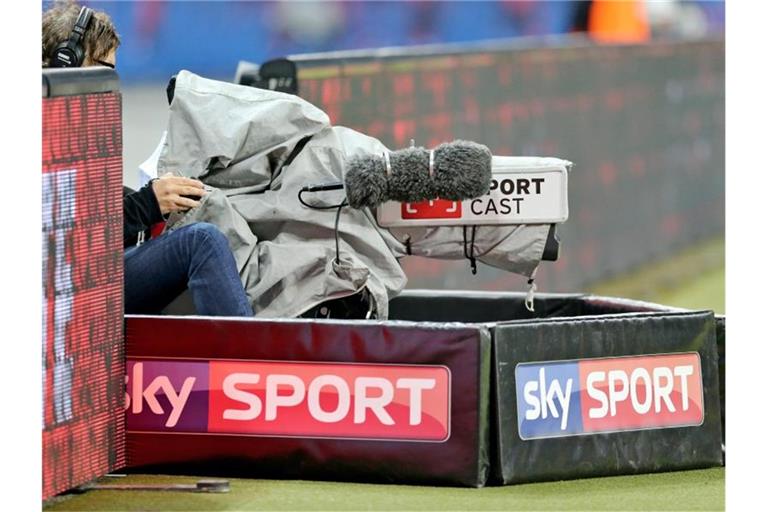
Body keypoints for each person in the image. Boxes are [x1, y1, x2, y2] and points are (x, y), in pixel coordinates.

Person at [42, 1, 253, 317]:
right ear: (65, 63)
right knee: (201, 242)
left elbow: (87, 211)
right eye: (106, 69)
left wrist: (149, 201)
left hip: (85, 273)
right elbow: (60, 236)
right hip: (63, 287)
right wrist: (146, 204)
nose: (113, 83)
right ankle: (245, 364)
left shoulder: (74, 126)